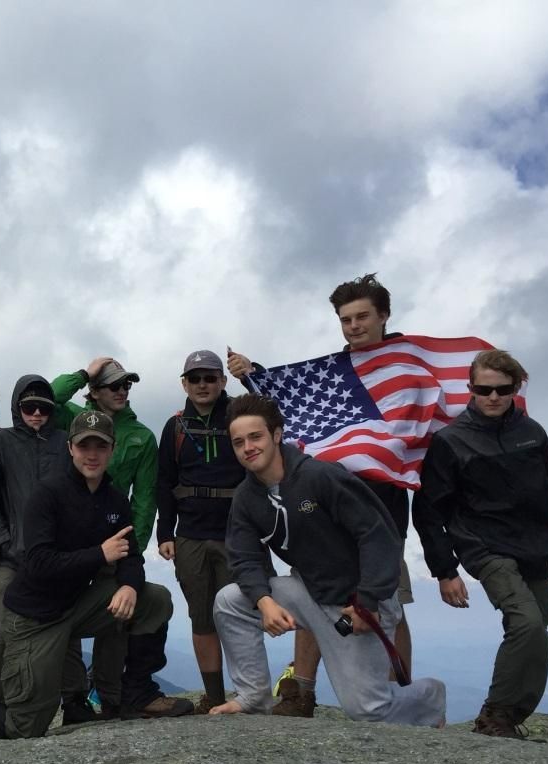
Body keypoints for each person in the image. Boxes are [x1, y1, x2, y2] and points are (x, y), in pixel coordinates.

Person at [227, 274, 416, 717]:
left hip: (378, 507)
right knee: (313, 592)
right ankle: (302, 690)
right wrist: (256, 377)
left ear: (383, 316)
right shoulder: (335, 374)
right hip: (313, 510)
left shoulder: (403, 368)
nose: (353, 326)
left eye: (362, 317)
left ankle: (396, 692)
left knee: (389, 604)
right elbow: (289, 411)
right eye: (345, 319)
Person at [0, 411, 185, 740]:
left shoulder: (115, 500)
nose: (92, 454)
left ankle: (135, 693)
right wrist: (100, 554)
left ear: (112, 449)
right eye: (84, 445)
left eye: (101, 446)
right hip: (35, 615)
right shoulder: (48, 494)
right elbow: (39, 562)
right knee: (25, 726)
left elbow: (130, 555)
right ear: (70, 448)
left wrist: (128, 585)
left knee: (154, 599)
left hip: (78, 605)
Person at [211, 394, 446, 726]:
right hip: (310, 593)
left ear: (277, 435)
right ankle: (252, 697)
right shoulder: (247, 499)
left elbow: (377, 534)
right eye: (238, 442)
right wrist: (264, 602)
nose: (247, 447)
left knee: (367, 710)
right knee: (229, 600)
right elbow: (245, 558)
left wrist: (368, 600)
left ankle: (429, 697)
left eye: (255, 436)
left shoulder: (320, 477)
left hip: (359, 603)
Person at [413, 349, 548, 739]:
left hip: (536, 549)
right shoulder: (451, 441)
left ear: (515, 388)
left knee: (539, 635)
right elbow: (428, 511)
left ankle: (510, 717)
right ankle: (493, 716)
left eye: (503, 389)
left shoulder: (533, 434)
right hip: (486, 549)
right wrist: (445, 570)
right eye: (484, 389)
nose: (493, 397)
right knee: (527, 625)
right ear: (470, 389)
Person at [51, 357, 179, 718]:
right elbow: (47, 396)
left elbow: (144, 500)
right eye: (113, 385)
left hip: (117, 539)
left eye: (127, 385)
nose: (123, 391)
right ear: (94, 391)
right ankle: (73, 698)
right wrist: (84, 373)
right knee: (67, 608)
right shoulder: (74, 418)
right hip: (72, 538)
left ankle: (112, 695)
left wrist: (128, 553)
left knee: (118, 613)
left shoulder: (141, 436)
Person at [0, 375, 76, 704]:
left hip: (58, 556)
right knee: (2, 630)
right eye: (28, 407)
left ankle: (74, 702)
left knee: (66, 627)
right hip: (13, 557)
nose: (36, 414)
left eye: (43, 408)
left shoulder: (65, 442)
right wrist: (3, 540)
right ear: (17, 408)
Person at [156, 349, 244, 713]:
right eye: (195, 378)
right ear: (185, 383)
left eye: (210, 378)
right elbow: (165, 481)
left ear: (223, 381)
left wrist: (252, 374)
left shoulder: (240, 414)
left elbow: (275, 413)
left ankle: (246, 692)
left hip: (236, 532)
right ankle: (214, 695)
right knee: (201, 616)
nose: (203, 385)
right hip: (190, 534)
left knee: (239, 614)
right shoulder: (175, 426)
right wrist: (165, 533)